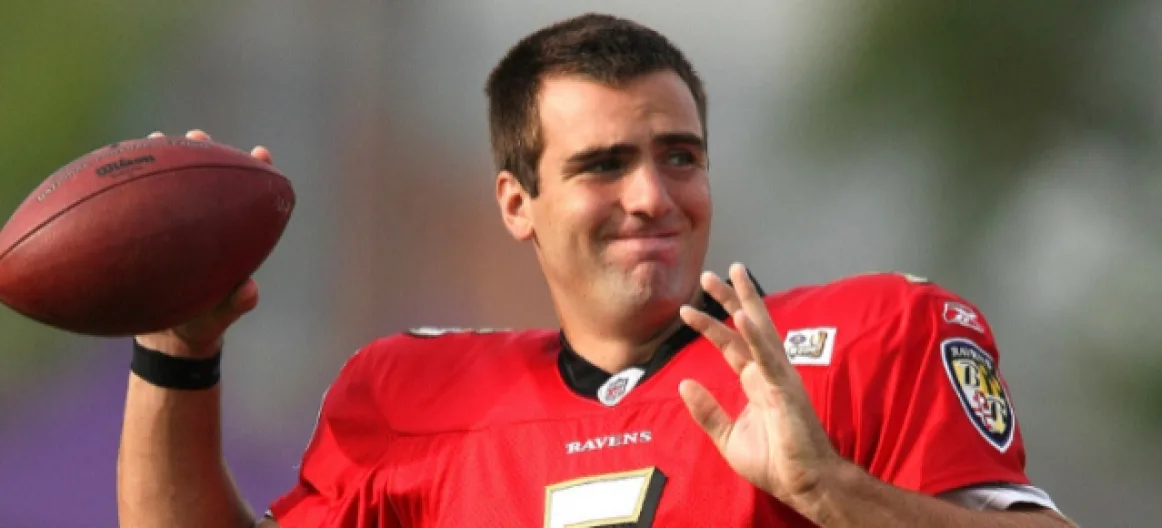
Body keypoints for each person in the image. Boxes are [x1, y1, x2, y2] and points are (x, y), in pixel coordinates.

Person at [117, 12, 1077, 528]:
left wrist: (831, 491)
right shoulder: (408, 396)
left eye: (679, 157)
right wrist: (175, 348)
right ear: (516, 204)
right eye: (603, 165)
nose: (653, 196)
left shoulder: (863, 342)